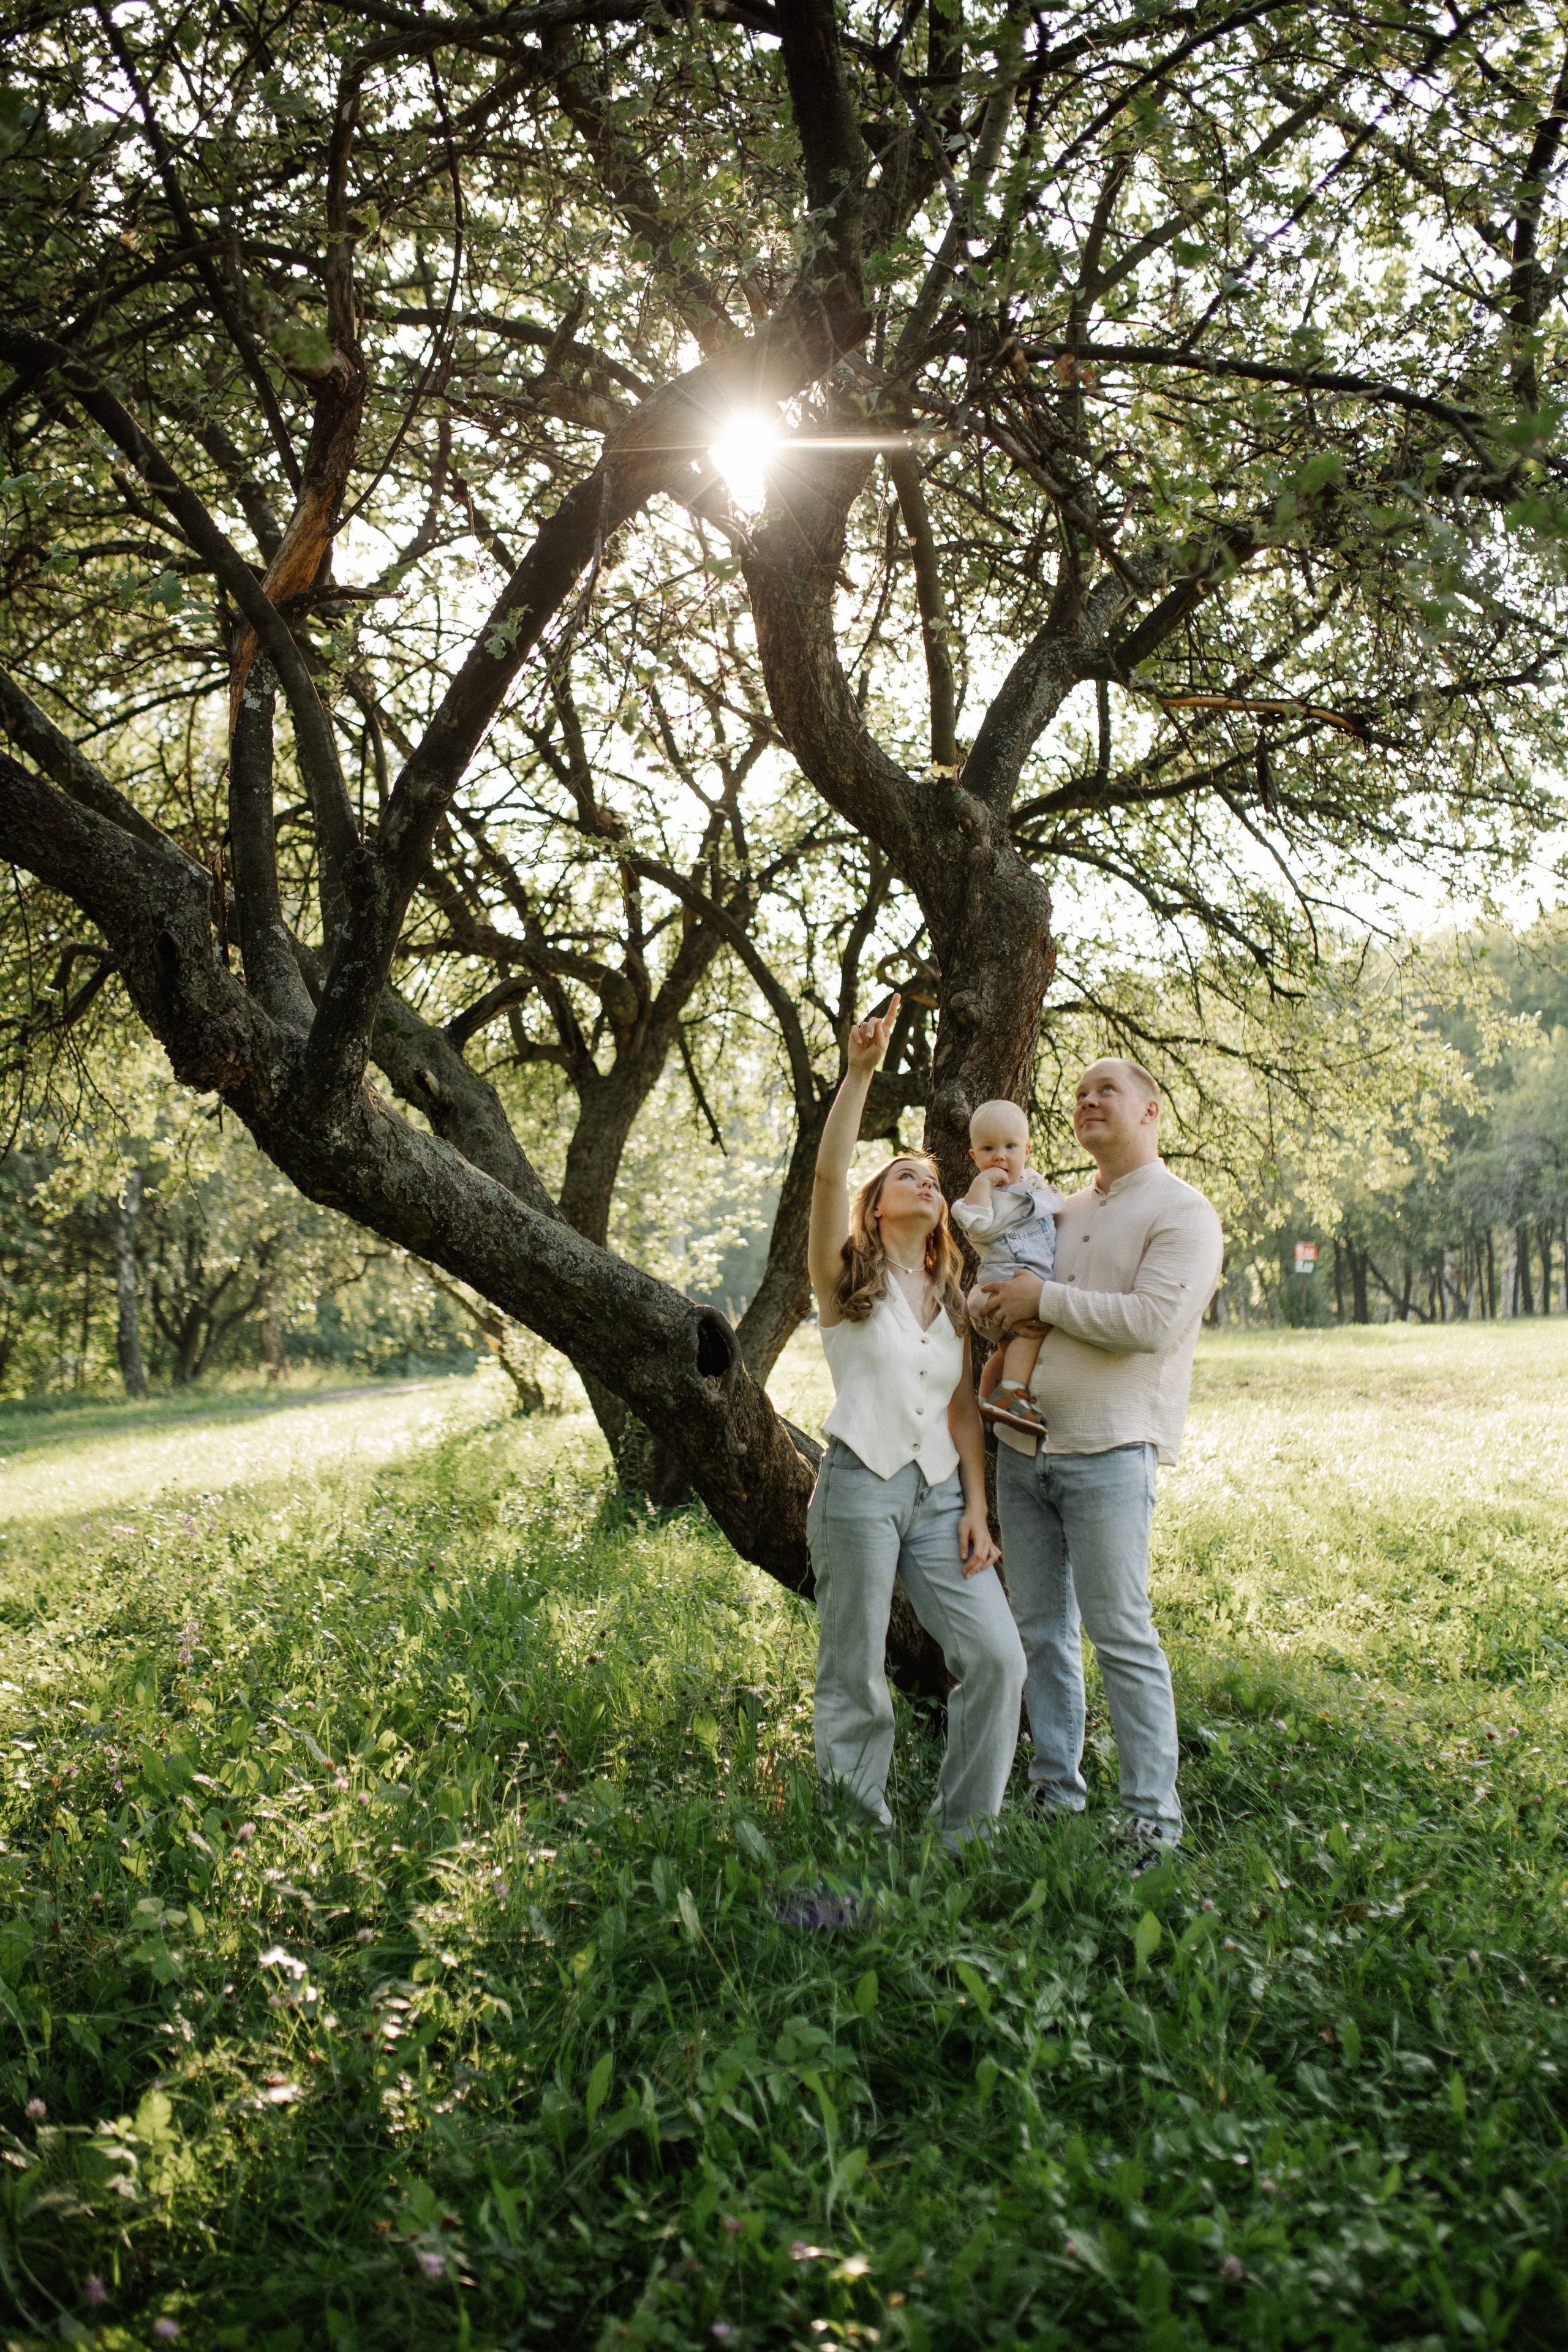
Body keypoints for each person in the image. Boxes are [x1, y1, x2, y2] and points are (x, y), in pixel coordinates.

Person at [976, 1058, 1223, 1862]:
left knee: (1121, 1633)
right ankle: (1056, 1793)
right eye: (1078, 1093)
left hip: (1110, 1453)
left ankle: (1152, 1820)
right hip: (1020, 1448)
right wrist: (991, 1307)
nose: (1086, 1101)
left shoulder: (1183, 1212)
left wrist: (1038, 1302)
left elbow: (1152, 1321)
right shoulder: (1056, 1204)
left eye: (1105, 1091)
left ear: (1152, 1111)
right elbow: (1008, 1303)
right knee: (1040, 1629)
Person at [806, 997, 1026, 1845]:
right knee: (854, 1672)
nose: (926, 1186)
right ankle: (857, 1839)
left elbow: (963, 1408)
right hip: (859, 1486)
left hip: (939, 1497)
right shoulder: (842, 1278)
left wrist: (976, 1506)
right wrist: (859, 1073)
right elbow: (827, 1180)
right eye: (907, 1176)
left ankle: (961, 1837)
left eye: (934, 1182)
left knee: (999, 1661)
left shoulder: (950, 1301)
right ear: (876, 1204)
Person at [951, 1098, 1064, 1436]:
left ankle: (985, 1401)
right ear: (975, 1157)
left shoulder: (1031, 1186)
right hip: (1002, 1291)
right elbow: (976, 1223)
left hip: (1008, 1294)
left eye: (1010, 1146)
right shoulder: (984, 1198)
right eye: (988, 1148)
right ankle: (1013, 1394)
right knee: (1033, 1332)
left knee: (1007, 1346)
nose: (1000, 1156)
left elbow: (1054, 1204)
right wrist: (982, 1185)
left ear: (1027, 1150)